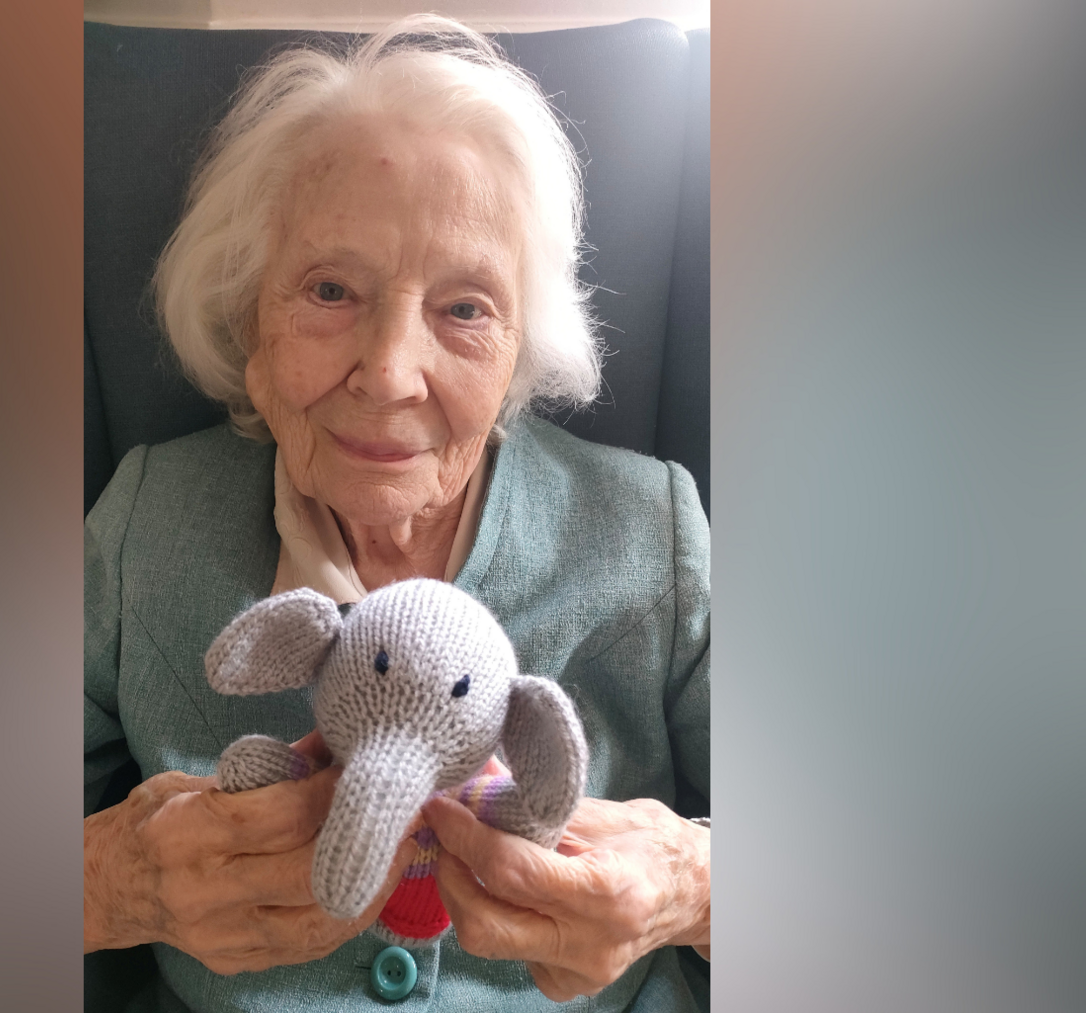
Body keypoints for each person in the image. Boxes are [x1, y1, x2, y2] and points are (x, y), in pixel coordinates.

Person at [83, 15, 709, 1010]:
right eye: (330, 289)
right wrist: (110, 881)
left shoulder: (653, 532)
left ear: (521, 351)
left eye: (465, 309)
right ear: (250, 316)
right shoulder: (143, 527)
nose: (389, 373)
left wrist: (691, 885)